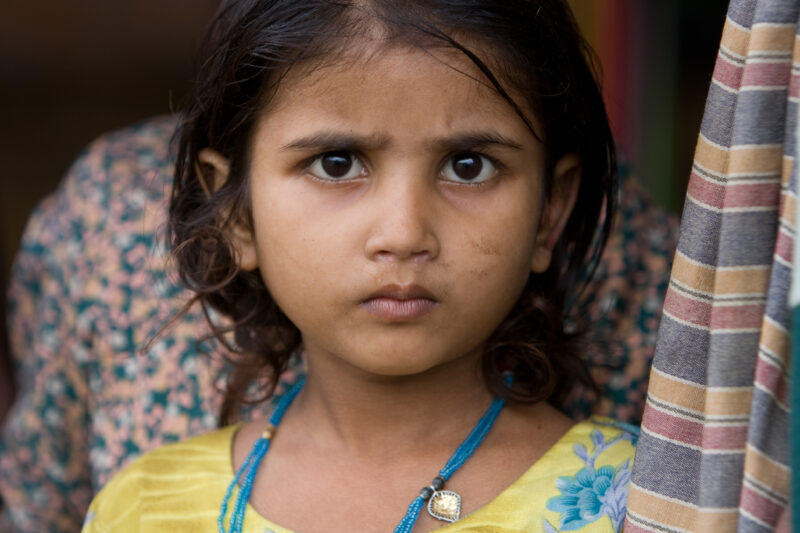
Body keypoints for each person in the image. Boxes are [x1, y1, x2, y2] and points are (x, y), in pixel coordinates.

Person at [78, 1, 638, 531]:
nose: (402, 234)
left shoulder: (637, 500)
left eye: (468, 167)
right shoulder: (142, 508)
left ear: (550, 211)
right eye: (336, 163)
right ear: (237, 215)